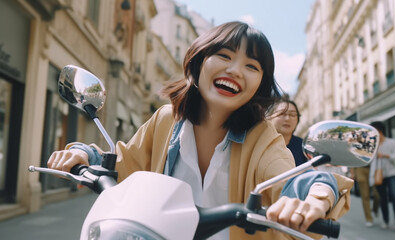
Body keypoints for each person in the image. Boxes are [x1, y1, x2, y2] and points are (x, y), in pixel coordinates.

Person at [48, 21, 353, 239]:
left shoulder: (263, 137)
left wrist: (316, 197)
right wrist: (82, 153)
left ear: (260, 84)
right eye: (224, 56)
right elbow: (125, 163)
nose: (235, 70)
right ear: (198, 61)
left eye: (252, 66)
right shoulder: (165, 119)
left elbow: (289, 180)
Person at [369, 121, 395, 233]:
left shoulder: (391, 142)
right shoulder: (374, 145)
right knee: (383, 198)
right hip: (380, 175)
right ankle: (386, 221)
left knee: (394, 196)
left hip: (392, 173)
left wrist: (384, 155)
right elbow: (372, 162)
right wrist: (372, 178)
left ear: (380, 131)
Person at [267, 96, 307, 166]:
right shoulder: (261, 144)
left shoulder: (303, 146)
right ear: (270, 118)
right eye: (282, 114)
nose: (287, 118)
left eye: (292, 115)